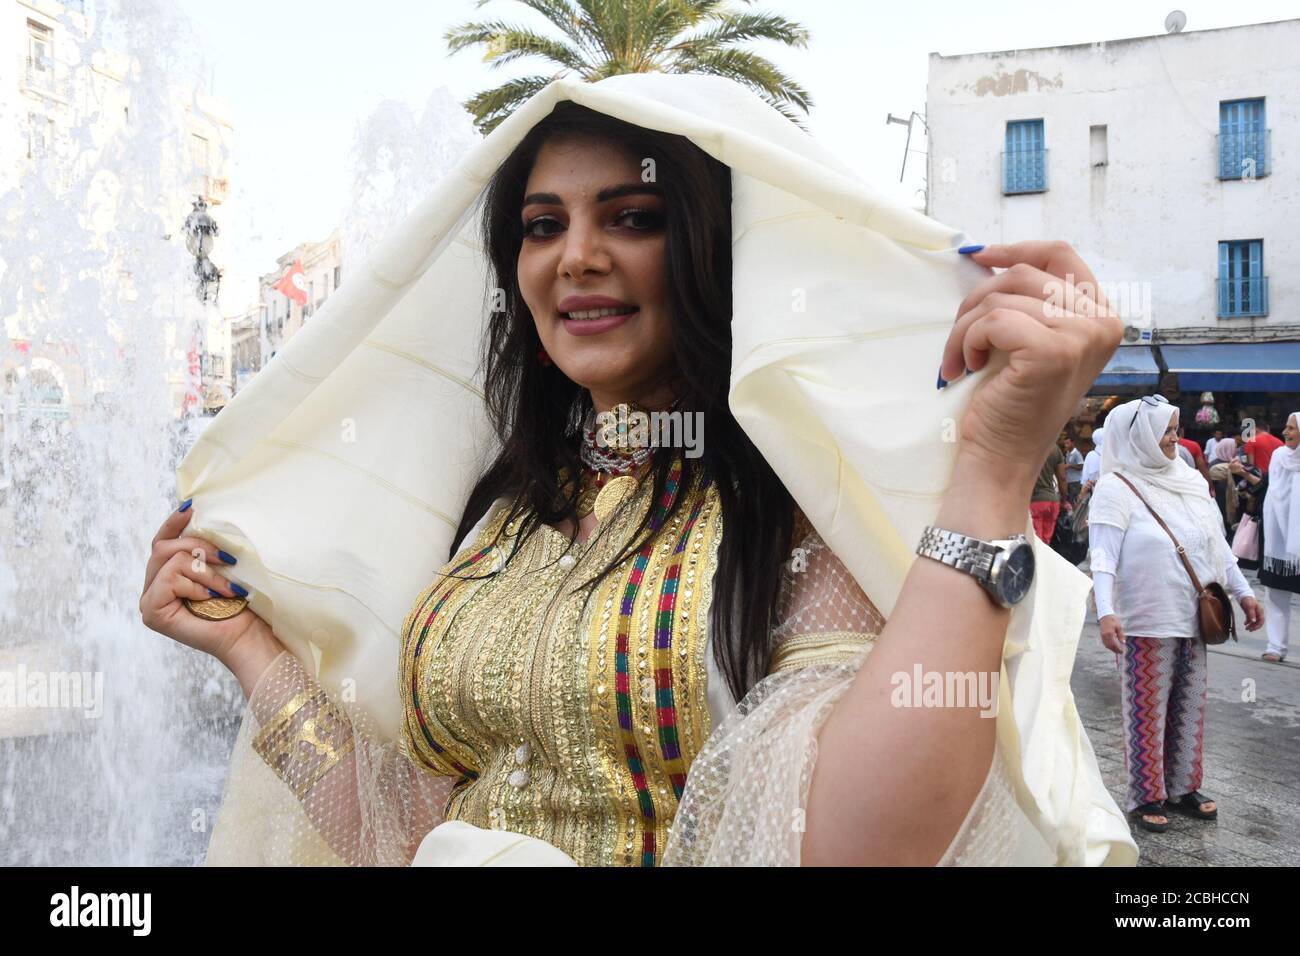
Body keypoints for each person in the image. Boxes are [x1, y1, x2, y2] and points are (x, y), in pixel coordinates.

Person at [141, 77, 1134, 867]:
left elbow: (857, 847)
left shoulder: (790, 506)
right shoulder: (496, 517)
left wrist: (995, 471)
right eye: (541, 225)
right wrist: (246, 648)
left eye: (630, 217)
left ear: (709, 250)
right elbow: (409, 834)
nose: (575, 256)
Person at [1087, 397, 1263, 833]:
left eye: (1174, 428)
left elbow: (1216, 545)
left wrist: (1243, 594)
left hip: (1195, 615)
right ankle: (1147, 794)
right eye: (1165, 430)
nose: (1172, 438)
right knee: (1147, 710)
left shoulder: (1188, 480)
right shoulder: (1116, 487)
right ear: (1139, 435)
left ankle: (1184, 787)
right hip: (1145, 618)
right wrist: (1106, 612)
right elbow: (1103, 557)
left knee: (1187, 708)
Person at [1256, 412, 1300, 663]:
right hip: (1278, 538)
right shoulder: (1278, 456)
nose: (1285, 432)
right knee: (1276, 593)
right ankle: (1275, 645)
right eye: (1286, 427)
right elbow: (1271, 492)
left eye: (1292, 428)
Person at [1030, 441, 1068, 543]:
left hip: (1035, 501)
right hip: (1052, 501)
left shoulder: (1028, 445)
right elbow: (1062, 478)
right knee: (1046, 542)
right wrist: (1063, 501)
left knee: (1036, 542)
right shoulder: (1054, 448)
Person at [1207, 436, 1238, 535]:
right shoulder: (1216, 465)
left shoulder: (1234, 463)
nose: (1236, 450)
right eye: (1234, 447)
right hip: (1220, 497)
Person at [1064, 436, 1085, 503]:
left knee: (1075, 499)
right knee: (1070, 499)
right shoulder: (1067, 453)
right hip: (1069, 480)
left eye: (1068, 443)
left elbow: (1081, 466)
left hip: (1076, 481)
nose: (1066, 445)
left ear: (1073, 443)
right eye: (1065, 443)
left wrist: (1070, 465)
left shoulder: (1077, 454)